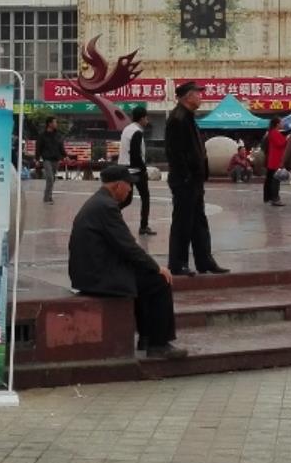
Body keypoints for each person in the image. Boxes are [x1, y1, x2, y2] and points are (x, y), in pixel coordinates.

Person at [70, 165, 186, 358]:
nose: (130, 190)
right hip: (97, 276)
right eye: (128, 186)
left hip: (91, 271)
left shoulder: (100, 202)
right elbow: (128, 246)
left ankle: (147, 337)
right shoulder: (106, 207)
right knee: (158, 281)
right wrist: (157, 268)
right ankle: (158, 344)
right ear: (117, 186)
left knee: (142, 276)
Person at [164, 82, 229, 276]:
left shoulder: (189, 117)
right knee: (182, 222)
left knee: (199, 221)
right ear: (188, 96)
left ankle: (205, 261)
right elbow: (174, 153)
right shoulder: (177, 119)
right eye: (198, 94)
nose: (201, 97)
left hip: (194, 180)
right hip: (185, 180)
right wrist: (185, 176)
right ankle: (177, 264)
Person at [117, 106, 156, 235]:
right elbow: (135, 153)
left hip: (124, 168)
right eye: (146, 117)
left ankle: (110, 213)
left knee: (127, 199)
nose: (147, 120)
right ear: (142, 118)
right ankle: (143, 226)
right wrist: (143, 169)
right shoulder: (137, 132)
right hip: (135, 170)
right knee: (145, 197)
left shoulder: (127, 129)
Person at [36, 116, 65, 204]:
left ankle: (48, 196)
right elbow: (38, 148)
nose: (56, 124)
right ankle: (47, 198)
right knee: (50, 178)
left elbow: (61, 146)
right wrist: (37, 159)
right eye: (55, 122)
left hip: (56, 160)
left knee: (53, 179)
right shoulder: (42, 135)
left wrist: (65, 155)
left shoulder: (58, 135)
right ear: (49, 124)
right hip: (46, 159)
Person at [263, 117, 287, 207]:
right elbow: (280, 144)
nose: (283, 124)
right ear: (277, 124)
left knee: (271, 179)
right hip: (275, 160)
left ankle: (269, 197)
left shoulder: (272, 133)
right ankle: (275, 198)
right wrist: (287, 138)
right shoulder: (274, 133)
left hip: (273, 159)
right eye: (281, 122)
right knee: (275, 181)